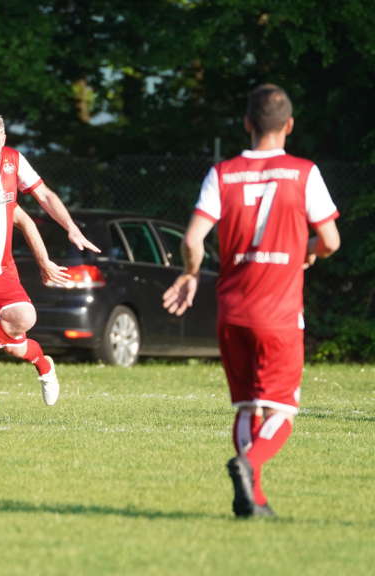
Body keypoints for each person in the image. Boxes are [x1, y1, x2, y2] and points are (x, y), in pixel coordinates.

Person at [162, 84, 340, 518]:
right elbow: (331, 241)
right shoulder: (303, 172)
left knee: (247, 404)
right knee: (282, 407)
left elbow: (192, 238)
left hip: (233, 310)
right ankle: (249, 464)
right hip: (279, 313)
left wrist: (189, 273)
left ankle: (254, 499)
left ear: (246, 124)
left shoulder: (223, 173)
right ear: (290, 126)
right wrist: (307, 253)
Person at [0, 113, 101, 413]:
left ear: (4, 141)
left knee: (23, 321)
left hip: (1, 269)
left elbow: (44, 197)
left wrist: (70, 228)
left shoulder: (13, 161)